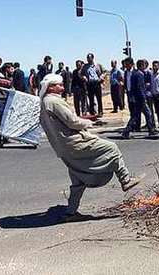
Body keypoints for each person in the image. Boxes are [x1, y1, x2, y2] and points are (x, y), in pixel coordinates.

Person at [38, 73, 144, 222]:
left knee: (77, 178)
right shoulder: (54, 102)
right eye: (59, 85)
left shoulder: (44, 103)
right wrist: (89, 123)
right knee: (111, 148)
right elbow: (72, 122)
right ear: (51, 87)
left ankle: (70, 212)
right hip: (75, 142)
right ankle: (125, 180)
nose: (62, 87)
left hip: (63, 148)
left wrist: (85, 118)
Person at [121, 59, 157, 139]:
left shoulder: (135, 74)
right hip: (140, 98)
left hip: (136, 98)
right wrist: (143, 97)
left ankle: (128, 131)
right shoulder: (139, 74)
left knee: (137, 115)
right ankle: (150, 130)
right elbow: (140, 87)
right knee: (146, 114)